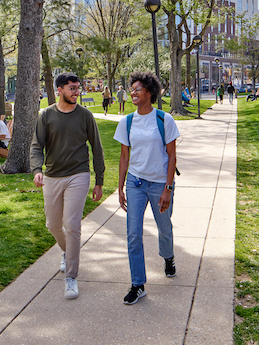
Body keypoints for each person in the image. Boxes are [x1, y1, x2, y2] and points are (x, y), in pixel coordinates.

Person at [30, 72, 105, 300]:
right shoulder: (46, 115)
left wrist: (99, 180)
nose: (77, 92)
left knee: (72, 224)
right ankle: (66, 250)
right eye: (72, 88)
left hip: (78, 174)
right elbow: (36, 146)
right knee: (53, 224)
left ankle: (71, 277)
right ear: (59, 90)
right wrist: (37, 170)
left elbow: (97, 148)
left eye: (78, 87)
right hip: (52, 175)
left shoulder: (85, 115)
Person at [114, 71, 179, 305]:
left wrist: (168, 188)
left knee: (164, 227)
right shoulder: (127, 122)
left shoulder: (164, 119)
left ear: (149, 92)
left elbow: (172, 156)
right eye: (131, 89)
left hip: (160, 183)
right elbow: (124, 157)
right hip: (136, 183)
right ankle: (138, 284)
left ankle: (168, 257)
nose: (132, 92)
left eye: (137, 89)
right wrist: (120, 187)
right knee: (133, 234)